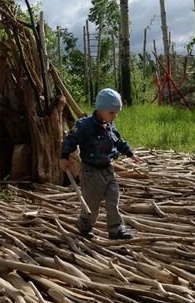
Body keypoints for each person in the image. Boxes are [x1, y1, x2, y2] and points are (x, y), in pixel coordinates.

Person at [60, 88, 139, 240]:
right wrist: (64, 156)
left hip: (108, 169)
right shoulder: (84, 125)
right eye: (112, 112)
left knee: (113, 200)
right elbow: (70, 140)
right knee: (92, 205)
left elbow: (119, 141)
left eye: (116, 113)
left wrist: (130, 153)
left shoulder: (110, 126)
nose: (114, 116)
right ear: (100, 109)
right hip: (91, 172)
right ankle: (84, 226)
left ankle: (116, 230)